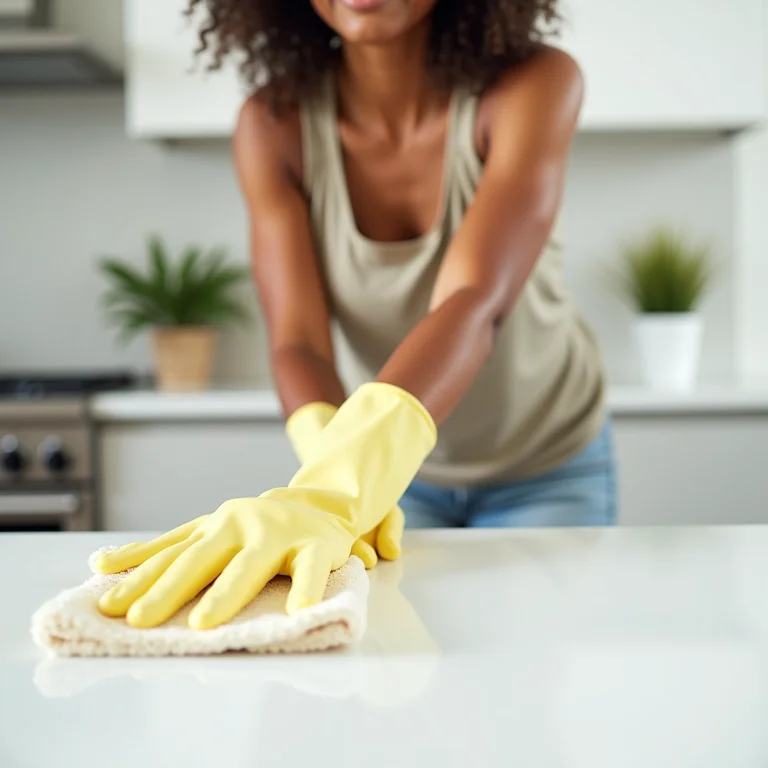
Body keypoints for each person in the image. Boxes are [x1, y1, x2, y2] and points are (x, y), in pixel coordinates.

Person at [92, 0, 616, 631]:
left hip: (544, 460)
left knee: (523, 678)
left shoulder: (532, 84)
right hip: (398, 483)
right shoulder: (274, 125)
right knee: (386, 677)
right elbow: (298, 343)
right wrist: (331, 481)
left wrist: (341, 483)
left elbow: (474, 300)